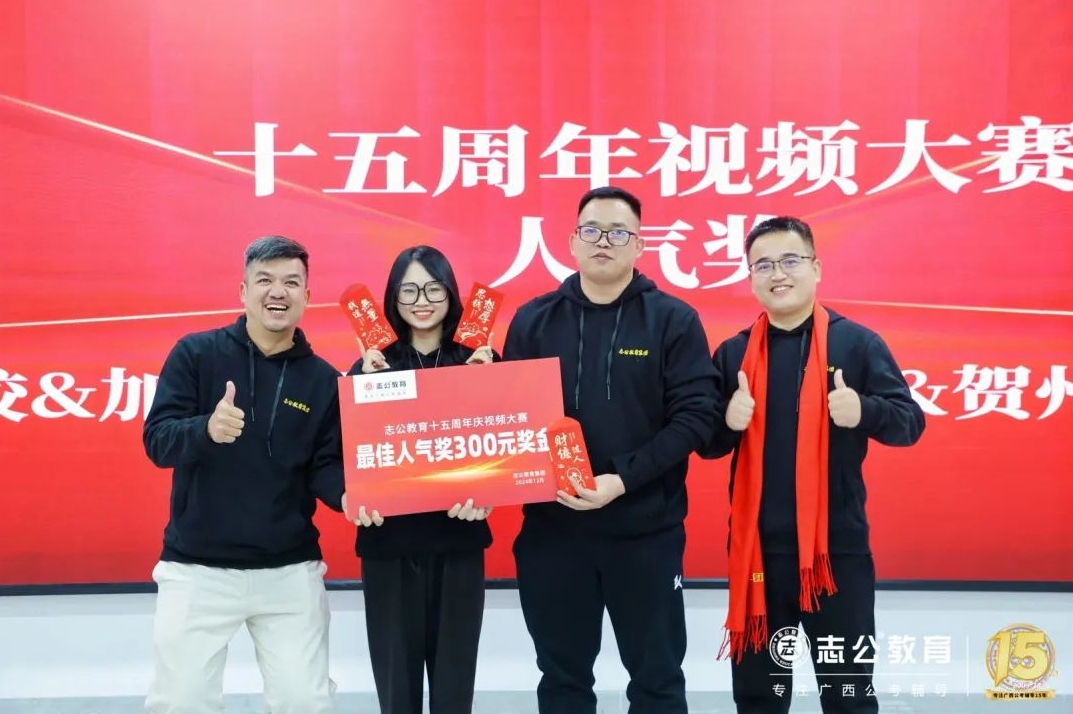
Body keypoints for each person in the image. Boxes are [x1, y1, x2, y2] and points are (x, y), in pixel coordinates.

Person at [502, 186, 718, 714]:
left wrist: (622, 479)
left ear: (639, 245)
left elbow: (696, 417)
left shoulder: (673, 320)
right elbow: (510, 418)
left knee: (657, 679)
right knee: (562, 680)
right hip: (553, 535)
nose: (604, 241)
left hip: (646, 535)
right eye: (592, 230)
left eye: (619, 232)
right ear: (572, 242)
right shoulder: (533, 320)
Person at [701, 216, 926, 714]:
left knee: (848, 694)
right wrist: (727, 422)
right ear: (750, 276)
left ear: (816, 268)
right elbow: (708, 445)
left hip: (835, 555)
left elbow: (910, 423)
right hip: (757, 555)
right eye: (763, 265)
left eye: (790, 260)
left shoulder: (856, 344)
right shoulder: (734, 353)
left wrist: (864, 410)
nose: (777, 274)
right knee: (759, 698)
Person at [142, 235, 345, 714]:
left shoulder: (324, 380)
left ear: (307, 296)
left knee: (304, 700)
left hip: (289, 569)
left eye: (291, 282)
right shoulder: (196, 354)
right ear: (243, 290)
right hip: (197, 568)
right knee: (181, 702)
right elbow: (158, 440)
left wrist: (351, 497)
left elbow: (325, 466)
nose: (278, 292)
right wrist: (206, 429)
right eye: (265, 280)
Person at [348, 245, 497, 714]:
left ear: (452, 294)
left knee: (455, 687)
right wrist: (365, 385)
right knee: (397, 690)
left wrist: (490, 490)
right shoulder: (372, 365)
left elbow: (507, 446)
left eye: (434, 289)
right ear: (392, 298)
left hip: (459, 543)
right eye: (409, 290)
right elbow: (347, 454)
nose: (422, 301)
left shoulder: (479, 360)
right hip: (389, 547)